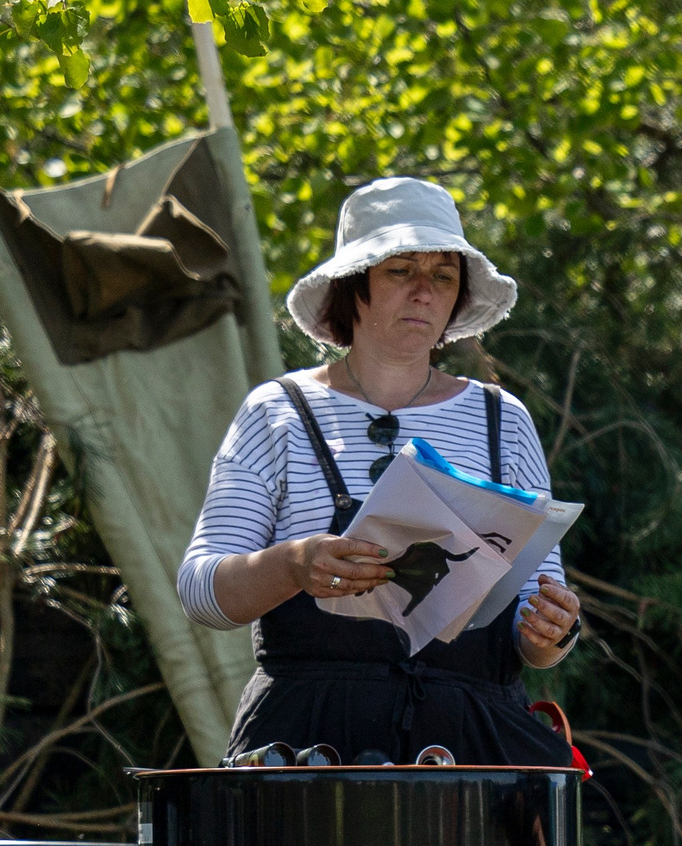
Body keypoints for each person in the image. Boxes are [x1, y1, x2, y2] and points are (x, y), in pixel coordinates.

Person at [178, 177, 584, 765]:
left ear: (457, 299)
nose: (424, 292)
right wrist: (294, 565)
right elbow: (201, 591)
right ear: (353, 286)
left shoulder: (503, 419)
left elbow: (533, 620)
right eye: (400, 270)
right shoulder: (278, 411)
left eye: (443, 276)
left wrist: (550, 631)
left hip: (474, 751)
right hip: (306, 746)